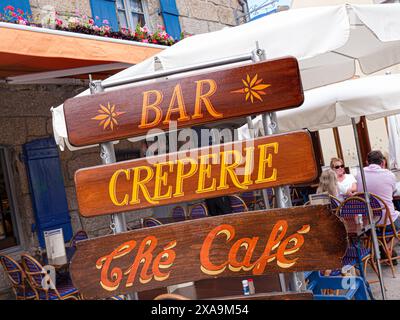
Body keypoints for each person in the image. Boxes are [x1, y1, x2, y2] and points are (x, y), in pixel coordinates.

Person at [356, 150, 400, 232]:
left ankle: (383, 243)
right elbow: (393, 192)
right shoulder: (389, 174)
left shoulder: (359, 174)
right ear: (383, 162)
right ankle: (387, 244)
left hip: (369, 224)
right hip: (388, 222)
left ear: (367, 162)